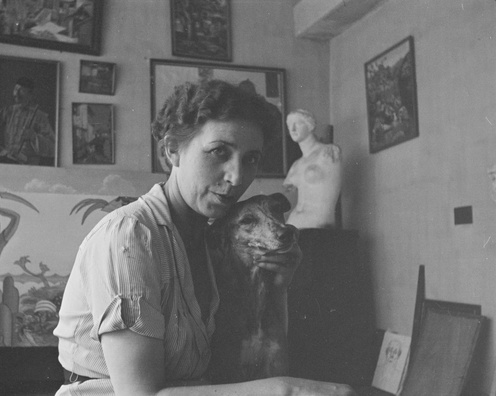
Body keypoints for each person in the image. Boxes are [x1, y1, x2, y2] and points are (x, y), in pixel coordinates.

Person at [53, 79, 356, 395]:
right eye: (219, 152)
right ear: (173, 150)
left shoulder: (211, 238)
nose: (237, 177)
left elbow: (250, 350)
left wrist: (277, 288)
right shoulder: (130, 237)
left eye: (251, 158)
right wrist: (284, 390)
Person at [0, 76, 56, 165]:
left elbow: (53, 147)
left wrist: (33, 136)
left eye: (21, 90)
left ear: (30, 95)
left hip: (27, 163)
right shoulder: (10, 111)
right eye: (15, 89)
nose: (16, 94)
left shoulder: (40, 116)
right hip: (9, 157)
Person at [283, 109, 343, 229]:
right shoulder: (296, 164)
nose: (292, 129)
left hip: (318, 222)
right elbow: (288, 188)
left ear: (310, 126)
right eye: (290, 125)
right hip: (294, 220)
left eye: (297, 124)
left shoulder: (328, 152)